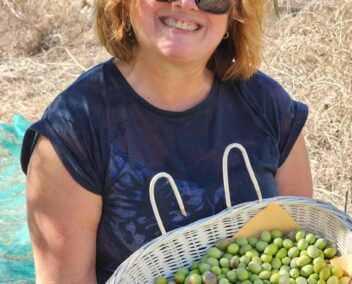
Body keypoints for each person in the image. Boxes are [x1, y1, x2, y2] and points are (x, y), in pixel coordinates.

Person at [20, 0, 313, 283]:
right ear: (123, 3)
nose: (186, 4)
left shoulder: (267, 106)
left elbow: (307, 239)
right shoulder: (75, 130)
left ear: (234, 13)